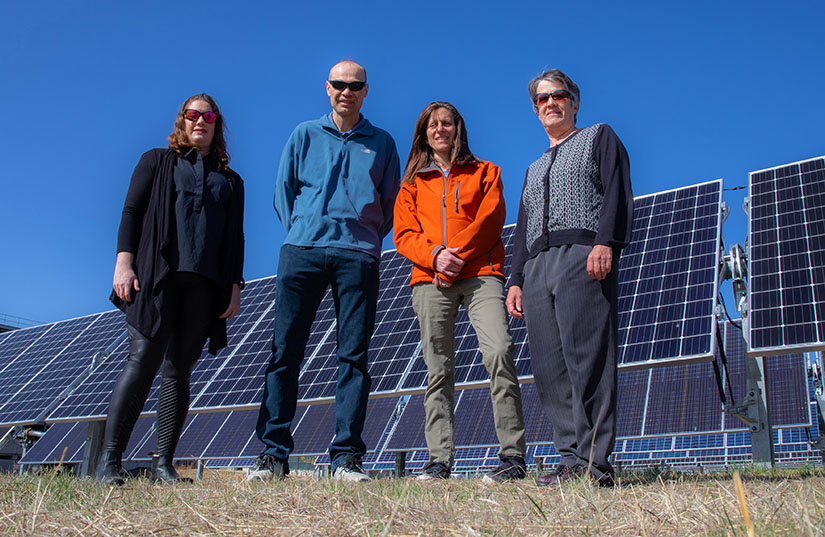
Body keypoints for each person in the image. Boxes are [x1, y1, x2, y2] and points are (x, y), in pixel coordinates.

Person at [249, 60, 400, 483]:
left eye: (354, 86)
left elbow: (389, 203)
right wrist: (303, 231)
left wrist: (366, 239)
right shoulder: (304, 134)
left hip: (358, 256)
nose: (346, 91)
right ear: (327, 89)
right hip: (302, 252)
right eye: (338, 84)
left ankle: (345, 459)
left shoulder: (383, 142)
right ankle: (273, 455)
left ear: (365, 91)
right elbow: (284, 191)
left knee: (353, 357)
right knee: (284, 353)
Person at [97, 93, 245, 485]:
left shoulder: (231, 181)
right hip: (155, 278)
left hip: (204, 284)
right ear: (182, 120)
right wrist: (123, 262)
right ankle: (108, 462)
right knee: (142, 359)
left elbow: (235, 238)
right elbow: (131, 211)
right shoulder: (156, 161)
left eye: (208, 115)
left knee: (179, 371)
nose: (200, 121)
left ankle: (163, 463)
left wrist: (234, 285)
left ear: (217, 125)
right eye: (192, 114)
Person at [506, 69, 633, 487]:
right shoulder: (533, 167)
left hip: (582, 254)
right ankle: (571, 460)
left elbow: (615, 189)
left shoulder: (599, 136)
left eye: (559, 96)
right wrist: (516, 279)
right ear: (535, 109)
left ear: (574, 102)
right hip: (537, 265)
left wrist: (606, 242)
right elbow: (522, 228)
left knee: (588, 360)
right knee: (549, 367)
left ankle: (596, 463)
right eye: (542, 99)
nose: (550, 103)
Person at [394, 101, 527, 483]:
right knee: (438, 368)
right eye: (432, 125)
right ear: (423, 133)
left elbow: (491, 219)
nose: (440, 130)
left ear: (458, 128)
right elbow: (403, 234)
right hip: (429, 279)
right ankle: (439, 460)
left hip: (482, 273)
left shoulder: (486, 172)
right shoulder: (412, 184)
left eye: (446, 123)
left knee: (499, 350)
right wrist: (436, 257)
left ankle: (512, 457)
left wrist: (456, 257)